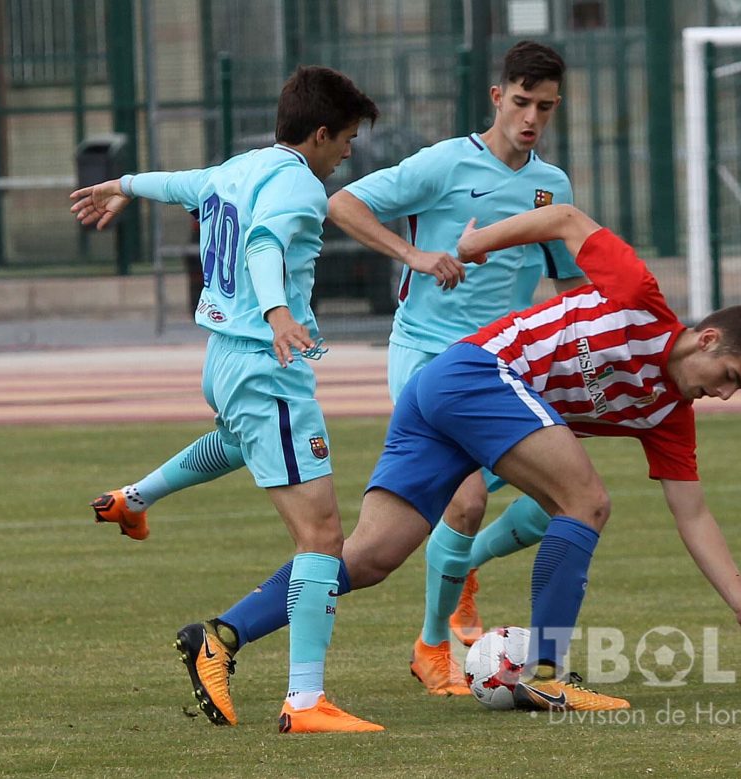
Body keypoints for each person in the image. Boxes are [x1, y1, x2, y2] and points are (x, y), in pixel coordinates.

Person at [89, 42, 586, 700]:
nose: (531, 117)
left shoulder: (551, 186)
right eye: (521, 101)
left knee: (526, 504)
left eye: (544, 107)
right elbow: (303, 223)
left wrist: (124, 185)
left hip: (478, 365)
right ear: (498, 96)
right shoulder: (376, 171)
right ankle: (356, 676)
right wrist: (293, 305)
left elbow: (187, 183)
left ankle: (151, 515)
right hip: (394, 358)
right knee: (367, 524)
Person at [185, 202, 741, 723]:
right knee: (586, 501)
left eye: (738, 390)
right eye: (729, 376)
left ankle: (220, 635)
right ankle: (545, 673)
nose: (725, 394)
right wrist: (477, 242)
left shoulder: (669, 417)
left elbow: (693, 514)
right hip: (474, 373)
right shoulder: (640, 298)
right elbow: (565, 218)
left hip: (457, 403)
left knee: (370, 557)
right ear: (707, 339)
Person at [71, 66, 385, 733]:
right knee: (323, 537)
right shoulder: (299, 182)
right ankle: (306, 701)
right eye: (347, 139)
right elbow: (266, 241)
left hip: (222, 358)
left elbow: (184, 182)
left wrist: (124, 185)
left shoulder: (243, 166)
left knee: (242, 443)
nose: (348, 153)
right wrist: (276, 311)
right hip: (265, 363)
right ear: (321, 134)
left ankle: (135, 497)